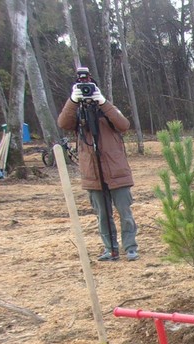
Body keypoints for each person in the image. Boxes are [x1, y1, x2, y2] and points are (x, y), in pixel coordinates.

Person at [57, 78, 139, 261]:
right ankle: (110, 249)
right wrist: (73, 101)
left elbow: (123, 124)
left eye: (89, 88)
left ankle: (131, 247)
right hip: (93, 174)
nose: (87, 92)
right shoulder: (78, 113)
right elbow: (63, 123)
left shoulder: (107, 110)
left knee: (125, 213)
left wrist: (102, 101)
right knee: (103, 216)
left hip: (117, 172)